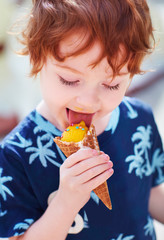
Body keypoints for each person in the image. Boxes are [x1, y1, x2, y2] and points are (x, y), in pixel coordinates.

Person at [0, 0, 164, 239]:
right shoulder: (15, 155)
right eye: (69, 79)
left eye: (111, 84)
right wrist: (66, 202)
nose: (88, 101)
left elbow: (146, 192)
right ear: (37, 60)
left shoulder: (139, 120)